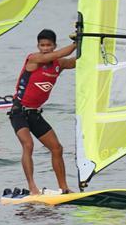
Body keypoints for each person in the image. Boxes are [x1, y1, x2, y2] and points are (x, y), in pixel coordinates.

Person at [9, 29, 76, 195]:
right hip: (19, 112)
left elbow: (76, 62)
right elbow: (54, 55)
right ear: (38, 46)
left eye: (49, 45)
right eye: (42, 45)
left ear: (54, 45)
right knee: (28, 145)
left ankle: (64, 188)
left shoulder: (58, 64)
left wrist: (89, 44)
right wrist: (76, 42)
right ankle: (32, 187)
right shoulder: (34, 59)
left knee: (57, 148)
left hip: (35, 114)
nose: (45, 48)